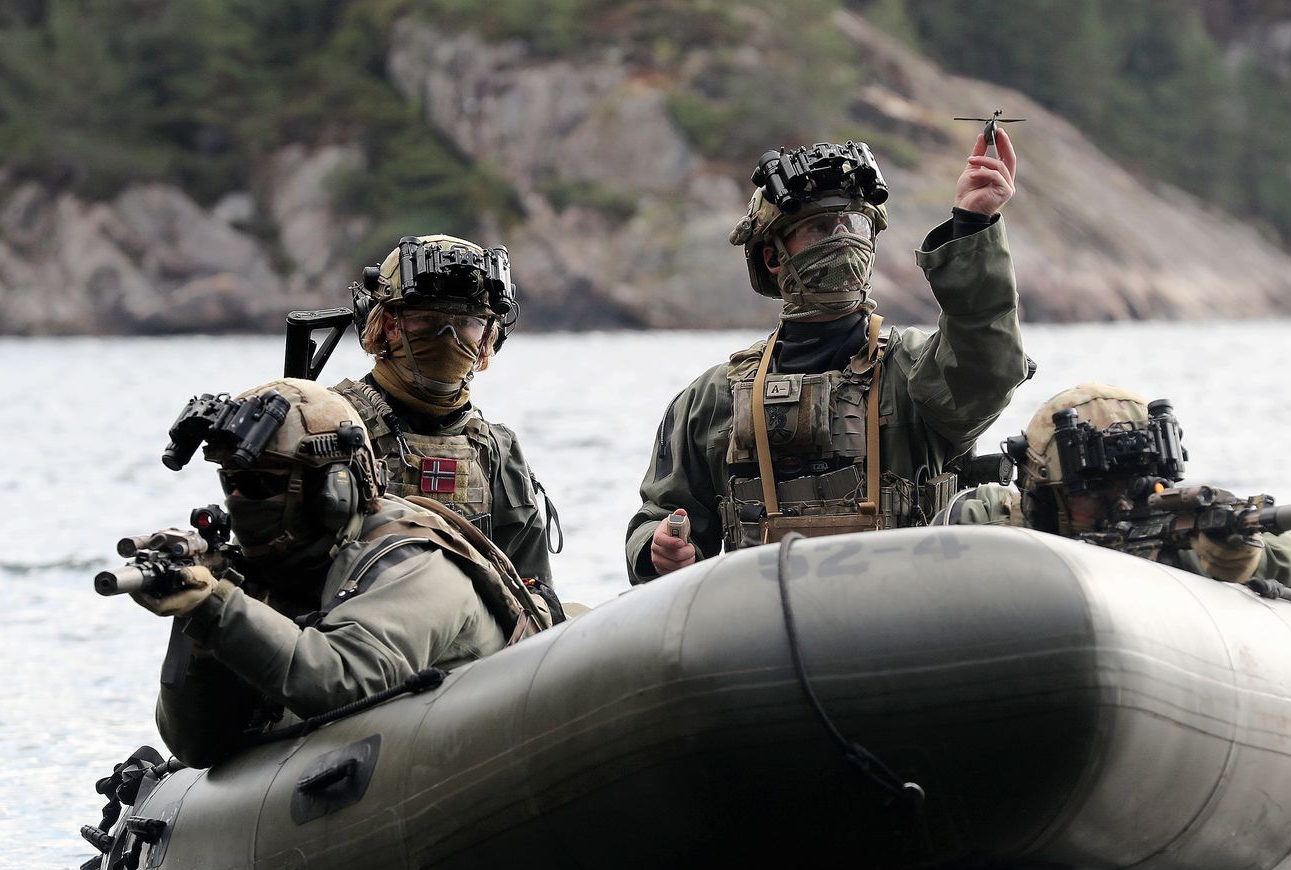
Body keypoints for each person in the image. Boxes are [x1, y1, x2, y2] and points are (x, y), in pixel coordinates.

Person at [625, 130, 1032, 582]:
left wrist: (972, 225)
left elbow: (987, 367)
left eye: (854, 225)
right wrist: (660, 550)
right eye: (819, 228)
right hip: (761, 632)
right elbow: (661, 513)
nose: (843, 240)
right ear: (773, 257)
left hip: (907, 620)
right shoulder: (713, 399)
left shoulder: (914, 372)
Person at [124, 379, 553, 769]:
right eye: (230, 483)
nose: (239, 502)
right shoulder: (279, 569)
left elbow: (347, 680)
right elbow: (197, 746)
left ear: (333, 490)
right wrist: (196, 625)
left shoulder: (414, 560)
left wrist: (216, 608)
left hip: (488, 759)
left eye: (260, 486)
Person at [940, 383, 1291, 606]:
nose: (1124, 505)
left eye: (1135, 485)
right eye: (1097, 492)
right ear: (1044, 494)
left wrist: (1245, 559)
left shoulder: (1189, 538)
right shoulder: (993, 529)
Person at [332, 234, 557, 586]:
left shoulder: (496, 450)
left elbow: (533, 590)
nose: (450, 336)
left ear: (487, 337)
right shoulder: (331, 425)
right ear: (389, 325)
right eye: (429, 321)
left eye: (467, 323)